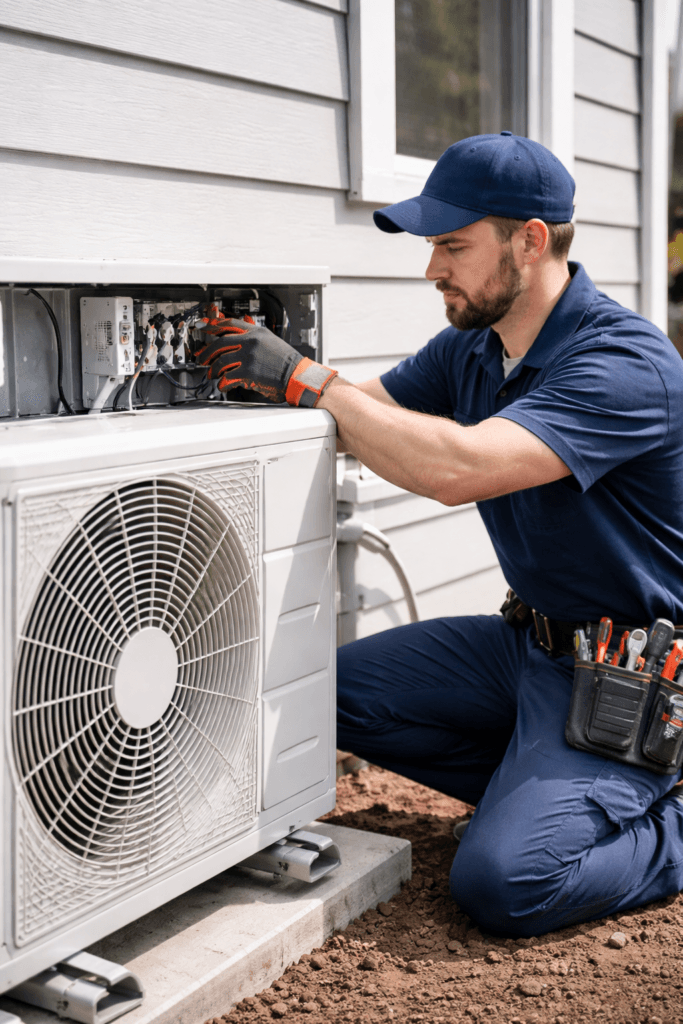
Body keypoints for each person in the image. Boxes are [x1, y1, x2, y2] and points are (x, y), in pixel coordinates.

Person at [197, 132, 683, 937]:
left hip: (630, 676)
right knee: (321, 692)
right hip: (525, 648)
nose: (432, 270)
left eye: (452, 246)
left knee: (506, 883)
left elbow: (457, 468)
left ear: (529, 242)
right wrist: (273, 390)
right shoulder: (474, 347)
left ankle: (656, 814)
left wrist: (309, 382)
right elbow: (370, 418)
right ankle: (538, 793)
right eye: (432, 246)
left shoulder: (623, 362)